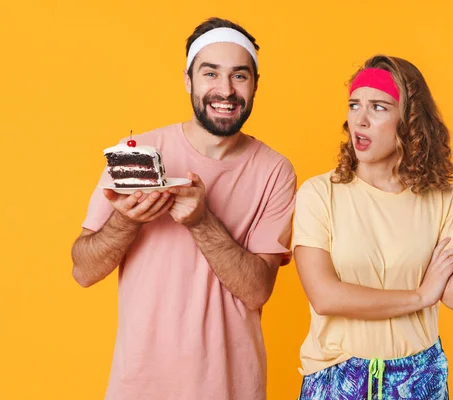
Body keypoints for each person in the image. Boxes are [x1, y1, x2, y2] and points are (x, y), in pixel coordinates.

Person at [71, 17, 296, 400]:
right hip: (139, 385)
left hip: (230, 387)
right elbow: (83, 270)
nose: (225, 90)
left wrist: (201, 221)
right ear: (188, 80)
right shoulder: (137, 154)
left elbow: (258, 291)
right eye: (211, 73)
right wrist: (126, 219)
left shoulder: (275, 170)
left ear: (256, 84)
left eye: (239, 76)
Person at [292, 55, 453, 400]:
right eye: (354, 105)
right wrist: (420, 296)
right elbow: (324, 296)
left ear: (409, 121)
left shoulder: (443, 199)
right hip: (337, 379)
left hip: (419, 380)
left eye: (378, 107)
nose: (360, 120)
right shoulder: (319, 194)